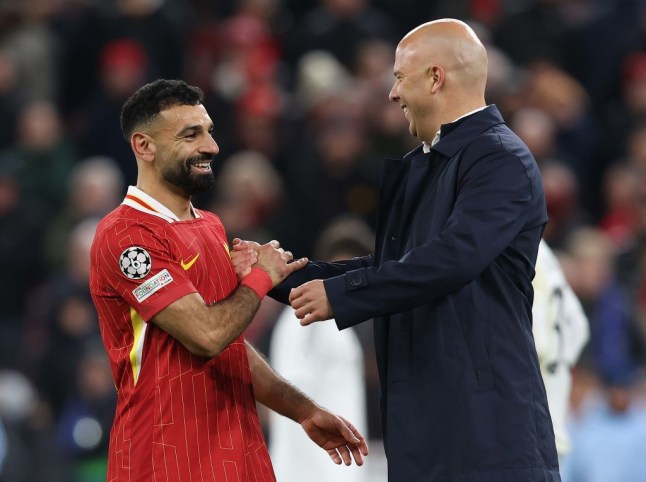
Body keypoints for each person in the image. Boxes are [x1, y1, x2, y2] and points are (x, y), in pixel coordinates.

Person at [258, 18, 560, 481]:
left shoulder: (500, 158)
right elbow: (392, 267)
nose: (393, 94)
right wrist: (282, 277)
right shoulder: (430, 164)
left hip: (487, 435)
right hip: (429, 430)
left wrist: (342, 296)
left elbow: (452, 258)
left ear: (435, 78)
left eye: (399, 77)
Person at [88, 79, 368, 482]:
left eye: (210, 131)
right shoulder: (126, 235)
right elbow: (206, 335)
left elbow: (231, 347)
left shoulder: (211, 227)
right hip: (165, 460)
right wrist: (260, 277)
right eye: (191, 134)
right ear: (144, 146)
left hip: (240, 457)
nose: (211, 146)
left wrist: (304, 412)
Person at [268, 216, 373, 482]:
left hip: (345, 465)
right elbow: (292, 391)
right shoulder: (303, 317)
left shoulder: (349, 327)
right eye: (341, 272)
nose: (351, 282)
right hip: (310, 470)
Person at [532, 239, 589, 466]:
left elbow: (538, 343)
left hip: (527, 429)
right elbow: (579, 327)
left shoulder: (510, 240)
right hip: (553, 427)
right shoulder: (545, 255)